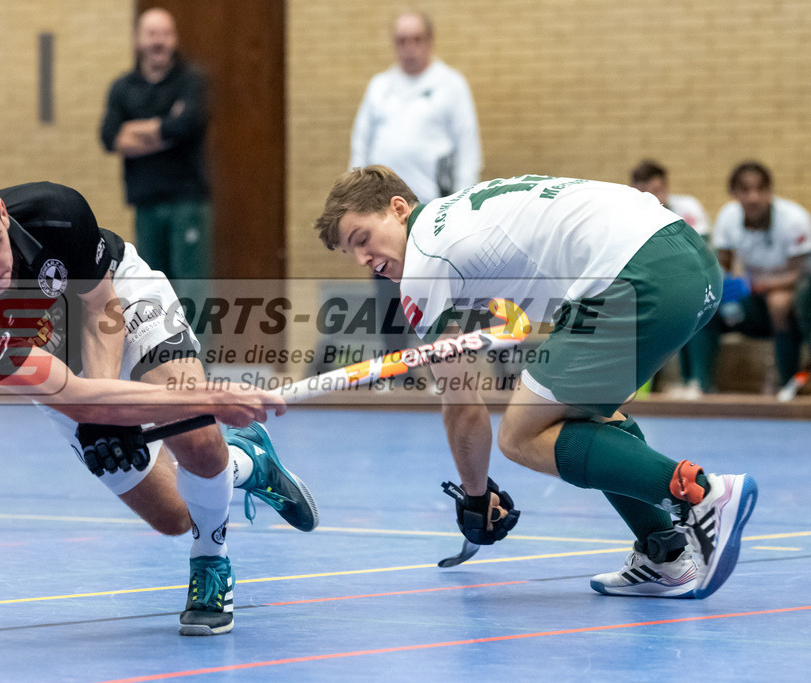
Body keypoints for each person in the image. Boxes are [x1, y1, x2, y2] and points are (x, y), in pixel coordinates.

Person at [315, 165, 758, 600]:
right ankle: (664, 553)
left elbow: (461, 405)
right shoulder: (457, 214)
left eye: (363, 240)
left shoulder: (425, 264)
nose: (364, 261)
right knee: (579, 413)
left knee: (521, 434)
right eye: (349, 253)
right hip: (688, 258)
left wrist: (475, 497)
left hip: (638, 272)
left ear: (398, 208)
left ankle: (703, 496)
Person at [0, 167, 318, 636]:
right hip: (54, 361)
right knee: (174, 516)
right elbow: (76, 397)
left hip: (117, 299)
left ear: (1, 214)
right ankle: (250, 463)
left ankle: (211, 561)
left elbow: (102, 307)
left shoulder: (55, 213)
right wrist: (199, 398)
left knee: (199, 440)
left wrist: (131, 407)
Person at [349, 11, 483, 357]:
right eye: (402, 41)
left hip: (431, 210)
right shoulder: (380, 88)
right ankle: (396, 367)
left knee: (440, 294)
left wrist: (462, 205)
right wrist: (356, 204)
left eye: (416, 40)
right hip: (383, 215)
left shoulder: (450, 86)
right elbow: (360, 147)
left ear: (429, 41)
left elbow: (467, 147)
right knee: (388, 292)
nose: (409, 48)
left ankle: (447, 365)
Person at [99, 7, 210, 305]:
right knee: (152, 285)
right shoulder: (122, 88)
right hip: (145, 203)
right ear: (138, 40)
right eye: (151, 34)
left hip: (186, 200)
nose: (158, 41)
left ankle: (199, 352)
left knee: (191, 287)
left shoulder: (192, 82)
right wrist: (164, 130)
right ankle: (163, 351)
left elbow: (185, 126)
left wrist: (133, 133)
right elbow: (109, 138)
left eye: (165, 33)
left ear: (174, 39)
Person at [689, 161, 811, 398]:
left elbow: (801, 273)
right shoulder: (728, 216)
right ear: (734, 193)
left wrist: (761, 284)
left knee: (779, 302)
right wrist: (723, 286)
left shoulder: (793, 218)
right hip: (753, 298)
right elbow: (720, 266)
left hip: (791, 294)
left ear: (769, 192)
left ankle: (787, 382)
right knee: (704, 303)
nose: (753, 197)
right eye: (745, 190)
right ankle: (700, 384)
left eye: (760, 189)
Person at [630, 160, 711, 399]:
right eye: (646, 192)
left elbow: (701, 252)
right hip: (652, 287)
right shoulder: (628, 218)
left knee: (689, 299)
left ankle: (697, 381)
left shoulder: (687, 208)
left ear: (666, 187)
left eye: (658, 190)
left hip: (689, 281)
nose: (654, 197)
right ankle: (638, 385)